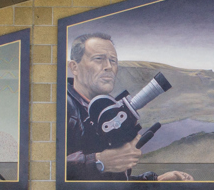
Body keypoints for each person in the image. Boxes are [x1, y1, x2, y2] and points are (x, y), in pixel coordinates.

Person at [65, 33, 192, 181]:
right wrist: (101, 161)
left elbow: (111, 182)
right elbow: (47, 168)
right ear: (74, 67)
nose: (109, 67)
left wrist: (155, 181)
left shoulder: (104, 111)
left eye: (113, 61)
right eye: (98, 59)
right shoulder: (62, 107)